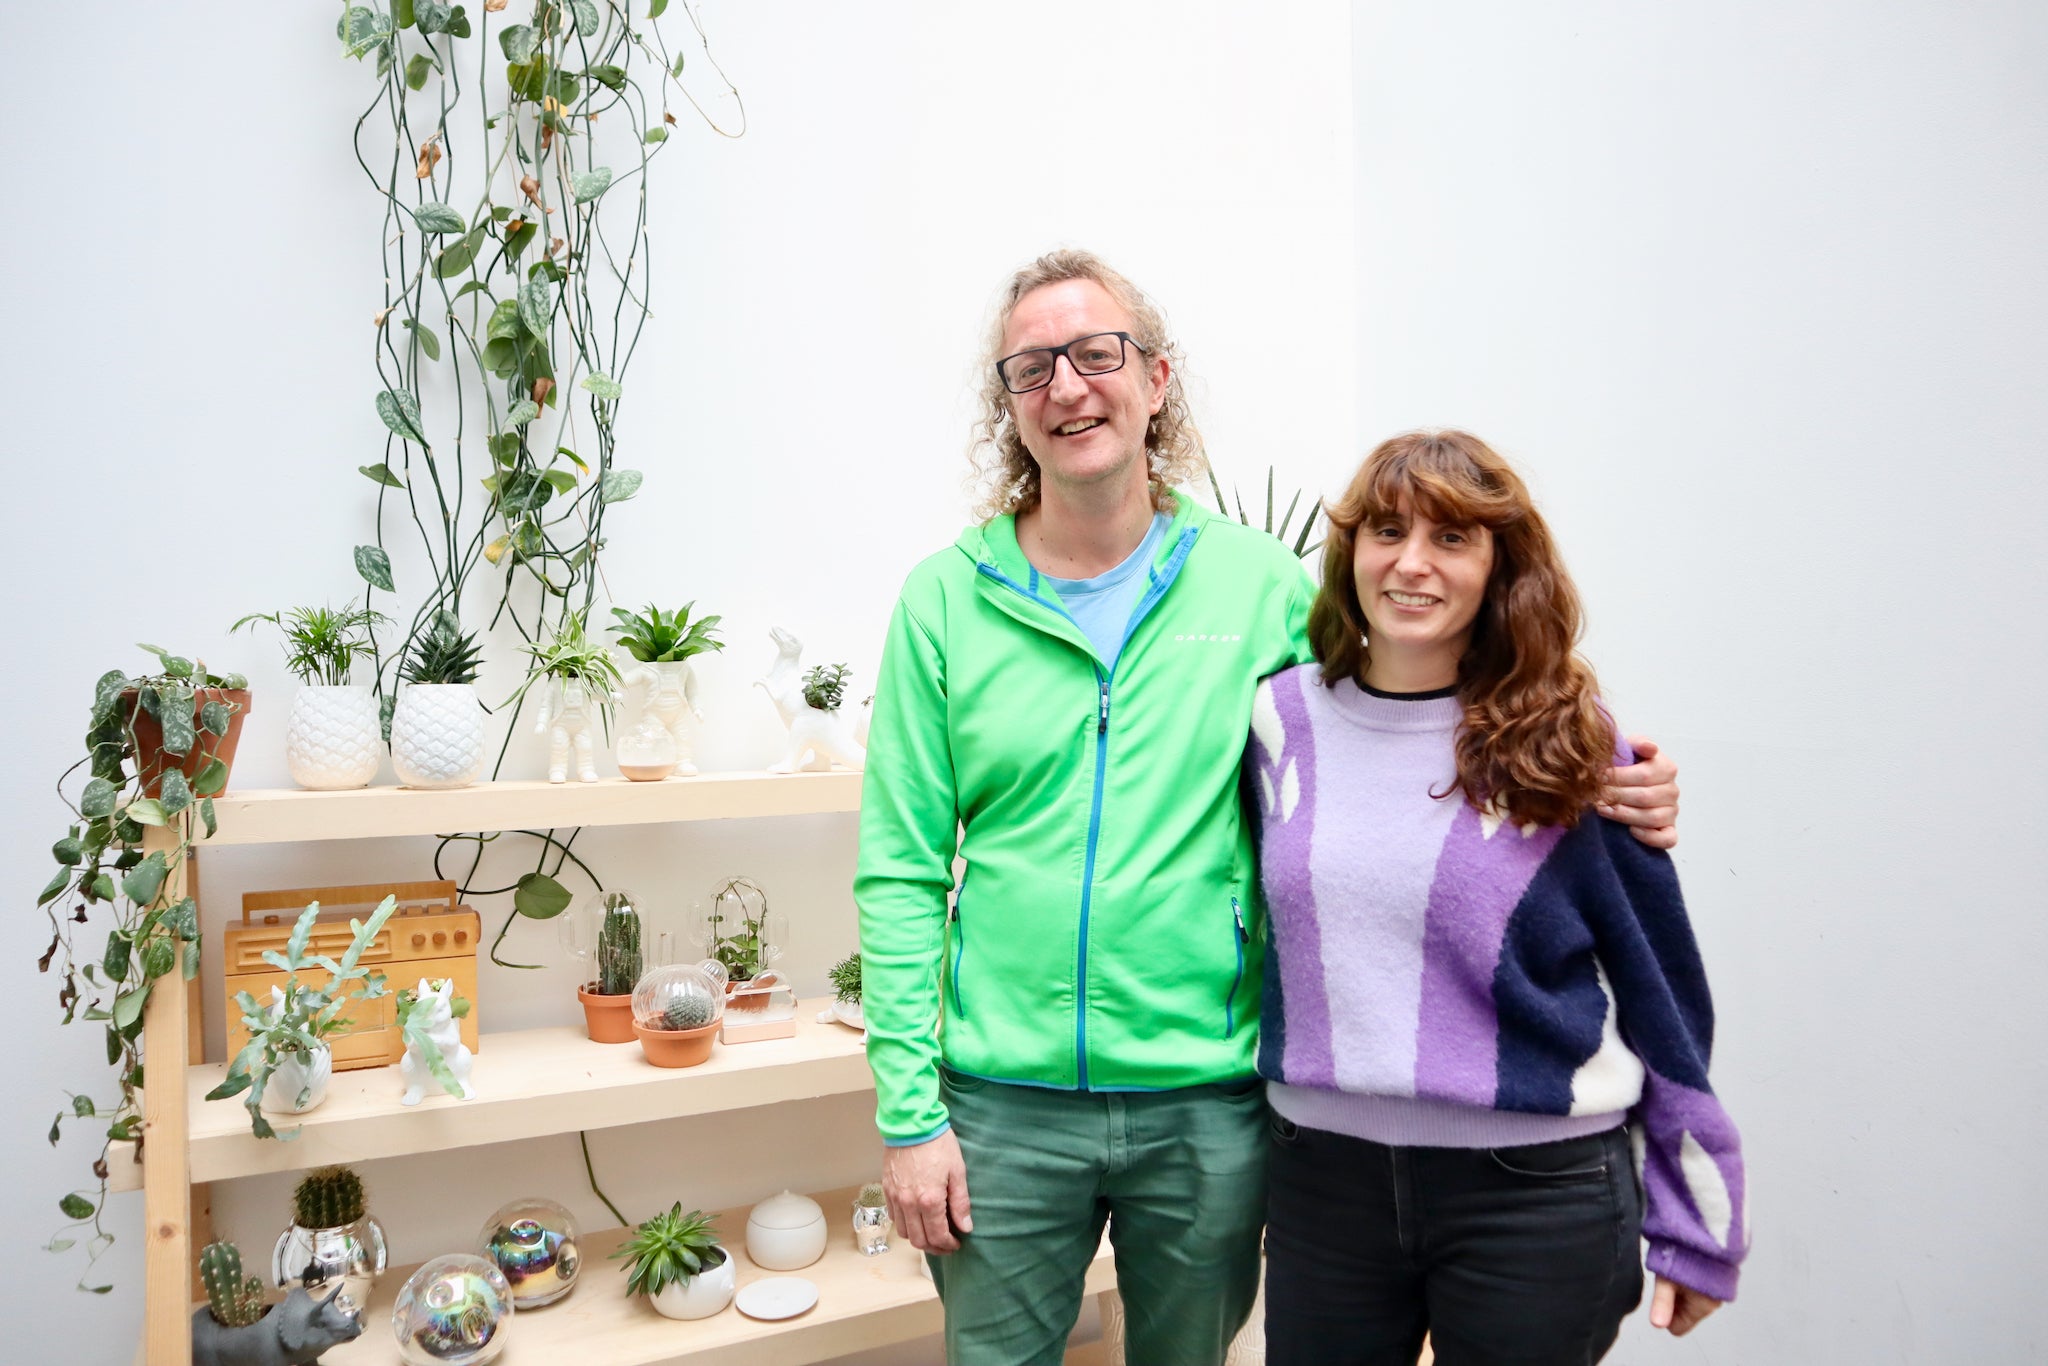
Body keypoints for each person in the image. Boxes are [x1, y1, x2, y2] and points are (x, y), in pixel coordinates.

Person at [854, 252, 1682, 1366]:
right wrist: (910, 1115)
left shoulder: (1260, 588)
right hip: (1003, 1106)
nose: (1067, 385)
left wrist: (1595, 771)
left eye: (1096, 354)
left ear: (1155, 378)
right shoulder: (942, 601)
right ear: (1008, 405)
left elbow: (1404, 719)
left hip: (1211, 1097)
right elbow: (899, 869)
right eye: (1031, 366)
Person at [1248, 430, 1746, 1366]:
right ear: (1351, 551)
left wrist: (1698, 1218)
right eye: (1387, 531)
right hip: (1325, 1188)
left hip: (1534, 1196)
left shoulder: (1569, 741)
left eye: (1452, 539)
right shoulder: (1280, 721)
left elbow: (1661, 986)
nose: (1411, 563)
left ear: (1499, 566)